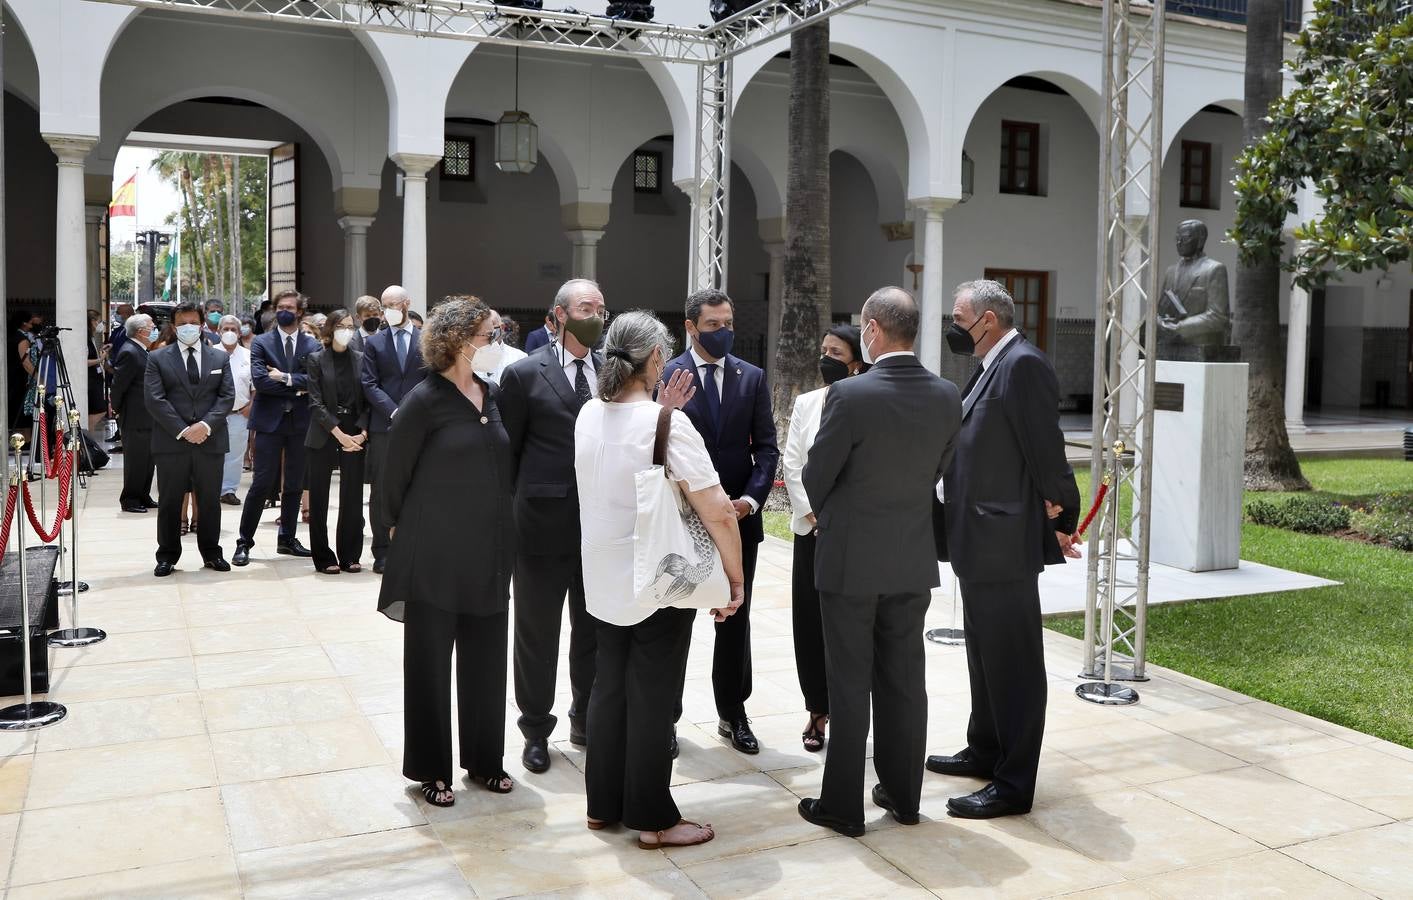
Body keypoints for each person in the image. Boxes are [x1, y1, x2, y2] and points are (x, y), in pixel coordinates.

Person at [575, 310, 744, 849]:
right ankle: (652, 818)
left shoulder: (586, 413)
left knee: (608, 689)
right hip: (657, 581)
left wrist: (663, 413)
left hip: (602, 576)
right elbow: (716, 509)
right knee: (651, 697)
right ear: (654, 360)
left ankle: (603, 805)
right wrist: (734, 580)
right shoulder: (666, 423)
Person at [796, 286, 960, 837]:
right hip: (909, 558)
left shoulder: (850, 395)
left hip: (849, 561)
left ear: (871, 330)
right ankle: (903, 794)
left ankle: (842, 805)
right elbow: (937, 471)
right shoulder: (945, 394)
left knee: (849, 684)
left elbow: (816, 476)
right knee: (904, 682)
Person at [929, 279, 1081, 819]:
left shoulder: (1023, 364)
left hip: (1003, 540)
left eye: (959, 316)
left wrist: (1063, 512)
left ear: (987, 319)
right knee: (984, 656)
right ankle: (986, 748)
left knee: (1013, 663)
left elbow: (1046, 448)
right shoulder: (991, 363)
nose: (954, 325)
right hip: (977, 536)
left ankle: (1013, 783)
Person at [378, 298, 515, 808]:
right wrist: (390, 530)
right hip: (433, 552)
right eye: (488, 334)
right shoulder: (424, 399)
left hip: (488, 550)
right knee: (430, 664)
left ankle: (484, 761)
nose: (495, 344)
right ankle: (431, 769)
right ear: (458, 341)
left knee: (486, 661)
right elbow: (394, 474)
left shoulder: (493, 394)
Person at [497, 279, 607, 774]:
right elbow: (509, 455)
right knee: (536, 636)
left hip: (600, 530)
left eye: (602, 307)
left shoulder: (613, 370)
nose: (597, 315)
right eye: (587, 307)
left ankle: (584, 717)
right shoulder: (523, 373)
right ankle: (535, 730)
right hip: (541, 529)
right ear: (559, 315)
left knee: (593, 633)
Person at [662, 288, 778, 755]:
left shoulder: (751, 377)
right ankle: (665, 717)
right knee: (674, 620)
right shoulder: (668, 374)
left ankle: (733, 712)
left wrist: (750, 500)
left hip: (737, 518)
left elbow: (766, 447)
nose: (723, 331)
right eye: (713, 325)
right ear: (691, 327)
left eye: (728, 322)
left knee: (735, 618)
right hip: (682, 521)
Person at [781, 323, 867, 753]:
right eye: (823, 350)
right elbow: (793, 461)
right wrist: (811, 513)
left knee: (848, 626)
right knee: (810, 623)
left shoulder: (868, 400)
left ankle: (851, 712)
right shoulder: (807, 402)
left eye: (836, 352)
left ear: (856, 359)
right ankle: (816, 709)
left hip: (853, 531)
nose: (826, 358)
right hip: (812, 529)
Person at [144, 302, 235, 576]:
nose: (188, 327)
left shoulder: (219, 358)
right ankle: (167, 555)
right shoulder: (158, 358)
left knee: (209, 501)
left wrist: (205, 425)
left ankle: (211, 553)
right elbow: (154, 399)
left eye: (193, 322)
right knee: (170, 501)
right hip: (173, 442)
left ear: (202, 324)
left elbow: (227, 396)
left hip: (211, 440)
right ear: (173, 326)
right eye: (182, 323)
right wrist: (184, 430)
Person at [233, 290, 320, 566]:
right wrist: (297, 388)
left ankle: (288, 538)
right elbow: (261, 381)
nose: (284, 311)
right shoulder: (261, 342)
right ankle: (244, 541)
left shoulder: (311, 344)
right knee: (261, 483)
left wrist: (284, 378)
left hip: (300, 423)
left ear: (299, 312)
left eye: (290, 307)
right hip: (269, 423)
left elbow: (316, 381)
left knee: (294, 484)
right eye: (280, 306)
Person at [361, 284, 427, 574]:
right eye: (384, 304)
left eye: (394, 303)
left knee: (420, 486)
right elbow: (369, 383)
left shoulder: (426, 340)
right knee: (382, 490)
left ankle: (415, 547)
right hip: (384, 426)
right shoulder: (374, 343)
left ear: (407, 304)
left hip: (420, 425)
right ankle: (382, 551)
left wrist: (411, 411)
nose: (389, 309)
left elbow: (431, 380)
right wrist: (394, 410)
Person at [303, 309, 368, 574]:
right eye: (341, 325)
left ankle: (350, 555)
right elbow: (315, 403)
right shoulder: (316, 359)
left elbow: (370, 397)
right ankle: (323, 557)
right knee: (318, 497)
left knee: (352, 497)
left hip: (356, 431)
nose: (347, 330)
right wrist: (338, 433)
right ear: (330, 330)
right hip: (325, 431)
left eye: (350, 326)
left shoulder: (362, 359)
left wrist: (362, 433)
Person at [112, 313, 158, 513]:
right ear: (141, 331)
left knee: (148, 461)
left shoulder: (143, 350)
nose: (154, 329)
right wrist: (118, 409)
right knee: (136, 461)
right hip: (135, 416)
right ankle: (130, 499)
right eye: (151, 326)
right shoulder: (130, 352)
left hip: (148, 416)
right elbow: (118, 386)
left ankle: (143, 495)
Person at [216, 315, 252, 506]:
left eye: (233, 329)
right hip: (213, 416)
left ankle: (228, 490)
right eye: (226, 329)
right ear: (218, 331)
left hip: (239, 414)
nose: (229, 333)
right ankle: (211, 488)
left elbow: (256, 387)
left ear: (239, 333)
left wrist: (250, 406)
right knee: (213, 454)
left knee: (236, 455)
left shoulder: (249, 356)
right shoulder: (209, 353)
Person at [476, 310, 526, 385]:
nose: (486, 335)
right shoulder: (469, 356)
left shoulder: (520, 358)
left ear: (502, 328)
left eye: (491, 330)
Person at [86, 310, 110, 432]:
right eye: (99, 321)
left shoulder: (91, 337)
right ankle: (87, 433)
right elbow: (83, 361)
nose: (100, 324)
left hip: (96, 378)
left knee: (97, 409)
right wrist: (100, 359)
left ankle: (88, 434)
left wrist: (100, 352)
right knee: (100, 409)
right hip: (91, 380)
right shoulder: (85, 338)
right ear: (92, 321)